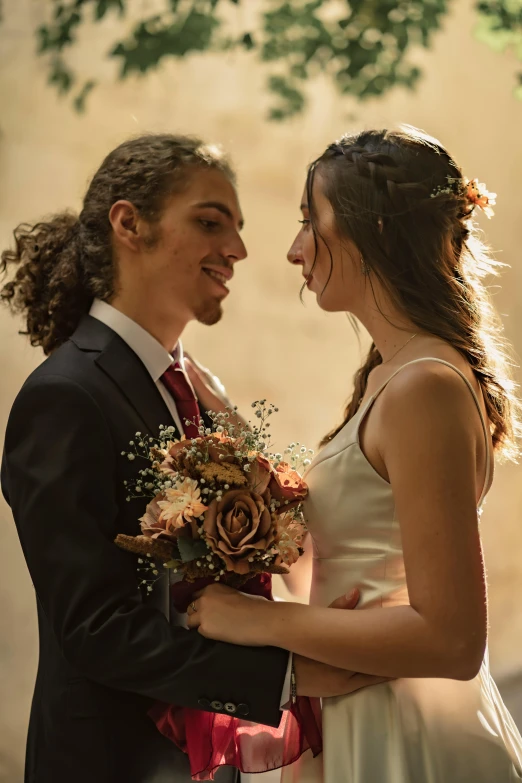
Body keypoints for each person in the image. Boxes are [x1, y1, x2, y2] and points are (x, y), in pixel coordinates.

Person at [0, 133, 369, 783]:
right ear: (129, 224)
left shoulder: (192, 390)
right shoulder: (64, 396)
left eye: (237, 228)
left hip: (198, 764)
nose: (239, 250)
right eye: (209, 222)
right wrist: (291, 670)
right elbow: (94, 627)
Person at [185, 126, 522, 782]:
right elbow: (335, 583)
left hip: (410, 739)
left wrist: (259, 621)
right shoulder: (386, 379)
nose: (293, 249)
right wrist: (240, 457)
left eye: (312, 221)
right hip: (357, 721)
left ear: (377, 232)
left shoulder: (424, 385)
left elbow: (451, 640)